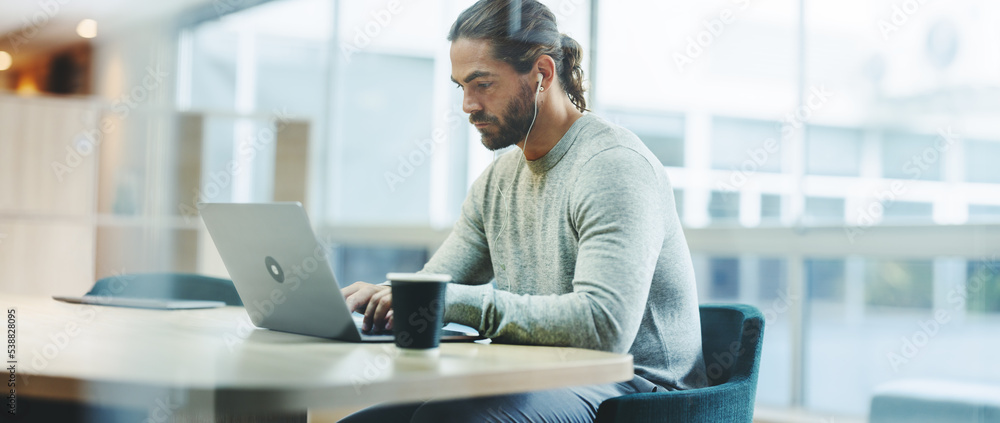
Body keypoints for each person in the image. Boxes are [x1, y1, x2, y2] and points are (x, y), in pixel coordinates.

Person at [340, 0, 706, 421]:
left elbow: (603, 327)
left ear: (542, 74)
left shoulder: (612, 165)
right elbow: (438, 284)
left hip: (637, 389)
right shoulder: (499, 179)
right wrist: (389, 297)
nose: (468, 106)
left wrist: (448, 301)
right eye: (462, 87)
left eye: (483, 84)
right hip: (540, 376)